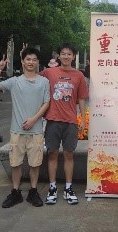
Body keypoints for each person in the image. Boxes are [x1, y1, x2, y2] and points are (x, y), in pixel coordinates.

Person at [0, 48, 50, 209]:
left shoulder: (44, 82)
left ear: (38, 62)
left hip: (36, 130)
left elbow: (46, 103)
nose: (31, 62)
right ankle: (15, 192)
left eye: (34, 59)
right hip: (17, 130)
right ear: (22, 61)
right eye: (28, 59)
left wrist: (34, 119)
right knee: (15, 163)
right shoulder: (14, 81)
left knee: (35, 164)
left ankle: (33, 191)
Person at [40, 43, 88, 205]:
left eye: (69, 54)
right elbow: (33, 79)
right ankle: (52, 188)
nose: (66, 56)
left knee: (69, 154)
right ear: (58, 56)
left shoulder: (79, 75)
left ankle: (68, 188)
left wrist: (83, 119)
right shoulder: (49, 72)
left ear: (73, 57)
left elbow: (81, 98)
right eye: (63, 54)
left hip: (70, 121)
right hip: (53, 120)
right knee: (52, 154)